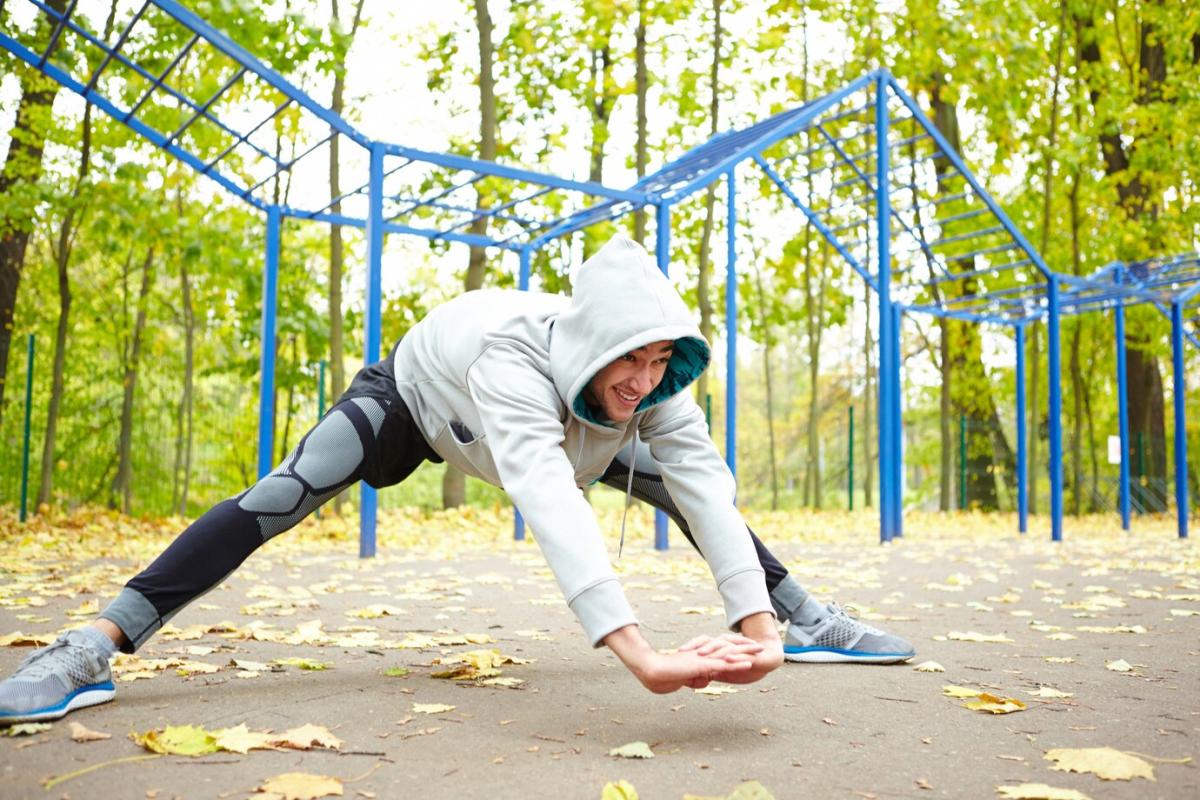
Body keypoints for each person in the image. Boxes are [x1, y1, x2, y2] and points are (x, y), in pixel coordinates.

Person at [0, 235, 913, 724]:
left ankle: (807, 620)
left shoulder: (654, 387)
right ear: (593, 344)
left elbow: (707, 484)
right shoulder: (513, 361)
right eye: (628, 358)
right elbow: (547, 497)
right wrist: (640, 654)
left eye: (660, 359)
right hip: (419, 399)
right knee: (282, 493)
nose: (645, 377)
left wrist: (753, 630)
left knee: (681, 485)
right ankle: (90, 645)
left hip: (552, 425)